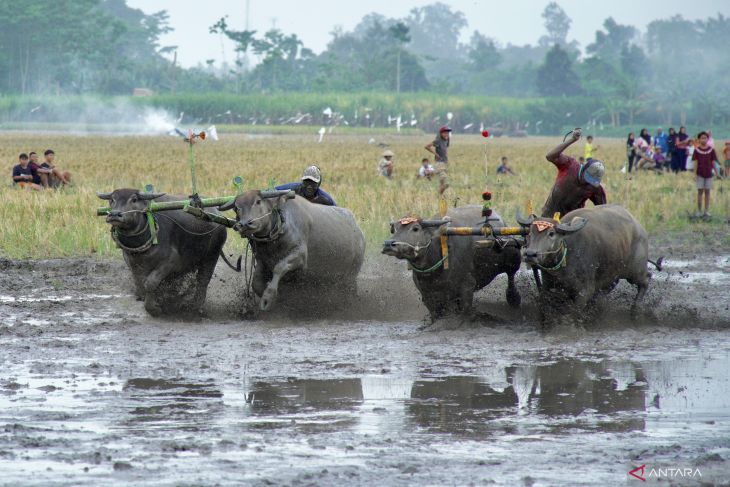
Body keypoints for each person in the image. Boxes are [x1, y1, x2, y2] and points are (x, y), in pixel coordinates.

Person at [541, 127, 606, 217]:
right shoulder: (569, 165)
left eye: (591, 181)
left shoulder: (595, 188)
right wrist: (572, 140)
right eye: (588, 178)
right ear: (584, 170)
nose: (588, 182)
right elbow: (550, 156)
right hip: (549, 214)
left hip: (572, 223)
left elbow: (602, 210)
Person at [692, 131, 720, 218]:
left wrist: (717, 173)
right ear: (699, 139)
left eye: (705, 138)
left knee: (707, 192)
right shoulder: (696, 150)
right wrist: (694, 174)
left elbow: (713, 162)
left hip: (709, 173)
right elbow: (696, 162)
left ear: (708, 139)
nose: (703, 139)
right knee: (700, 191)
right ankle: (699, 211)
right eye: (702, 138)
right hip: (700, 173)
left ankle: (706, 211)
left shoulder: (711, 150)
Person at [424, 125, 451, 194]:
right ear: (441, 133)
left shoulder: (446, 140)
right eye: (445, 133)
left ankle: (440, 197)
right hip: (439, 163)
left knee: (442, 184)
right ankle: (429, 172)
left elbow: (446, 148)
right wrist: (435, 154)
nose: (446, 134)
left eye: (448, 133)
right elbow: (427, 146)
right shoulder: (438, 141)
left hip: (445, 163)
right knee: (446, 183)